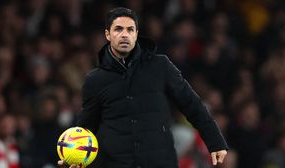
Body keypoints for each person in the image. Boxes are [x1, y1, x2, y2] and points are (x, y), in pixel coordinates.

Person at [58, 7, 228, 168]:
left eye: (130, 30)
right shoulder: (95, 80)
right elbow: (87, 128)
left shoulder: (160, 66)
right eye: (118, 29)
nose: (125, 34)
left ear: (137, 34)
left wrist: (215, 141)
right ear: (108, 34)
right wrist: (77, 160)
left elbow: (192, 104)